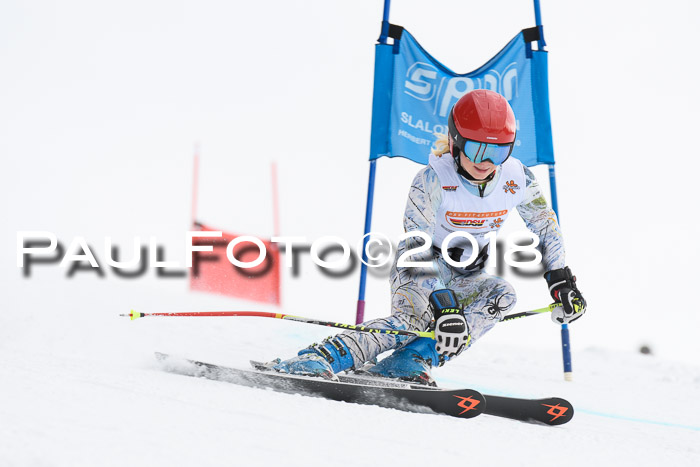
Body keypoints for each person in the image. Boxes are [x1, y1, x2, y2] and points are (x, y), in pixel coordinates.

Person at [269, 89, 587, 384]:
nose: (485, 161)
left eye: (498, 151)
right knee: (414, 319)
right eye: (477, 148)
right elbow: (416, 241)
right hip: (421, 264)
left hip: (468, 273)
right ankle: (323, 355)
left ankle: (411, 360)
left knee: (501, 294)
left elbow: (544, 224)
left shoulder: (517, 178)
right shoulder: (433, 179)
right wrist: (443, 303)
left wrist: (559, 280)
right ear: (455, 142)